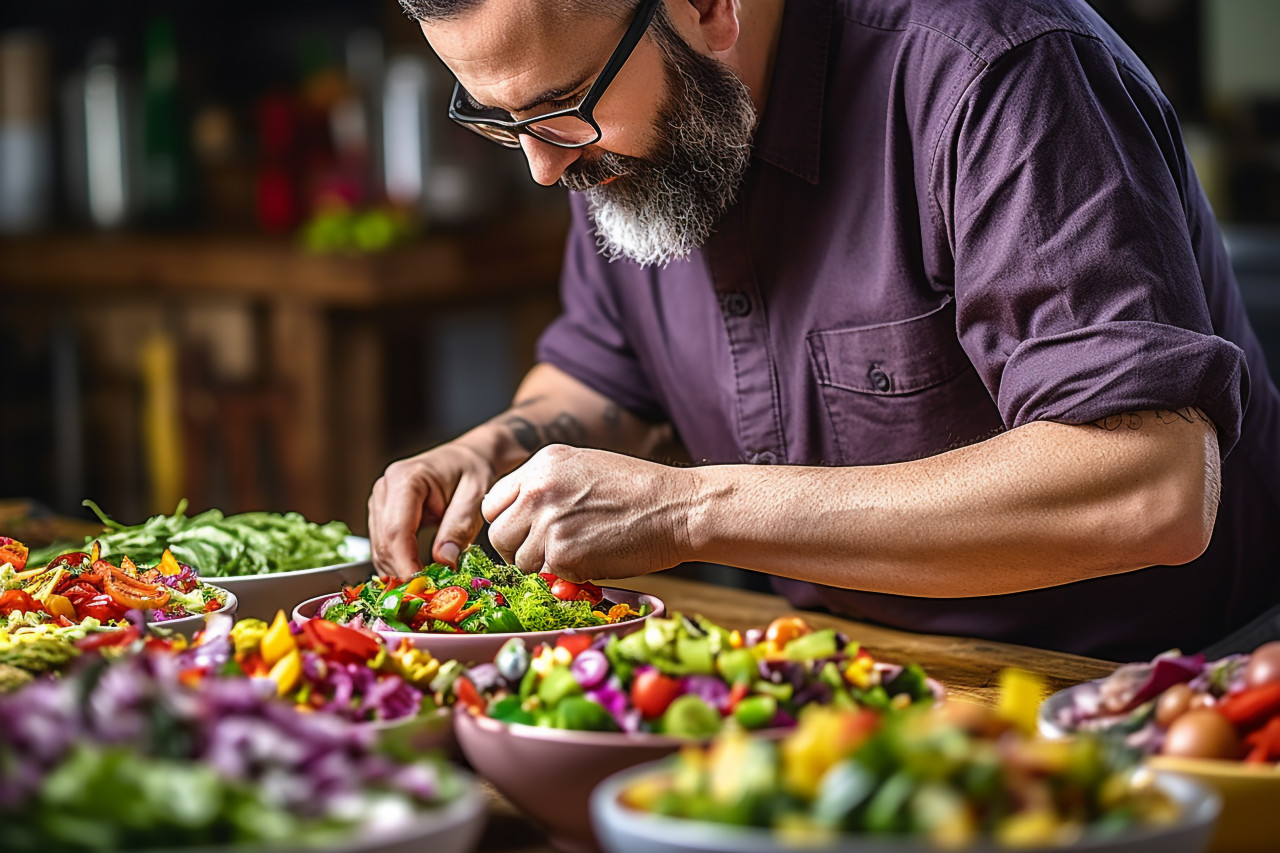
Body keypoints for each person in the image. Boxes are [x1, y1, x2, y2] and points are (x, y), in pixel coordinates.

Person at [369, 0, 1280, 661]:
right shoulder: (607, 132)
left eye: (558, 106)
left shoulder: (997, 70)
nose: (541, 166)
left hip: (1159, 688)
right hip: (851, 670)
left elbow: (1151, 488)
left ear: (706, 6)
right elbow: (605, 383)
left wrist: (685, 510)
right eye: (502, 120)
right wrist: (491, 456)